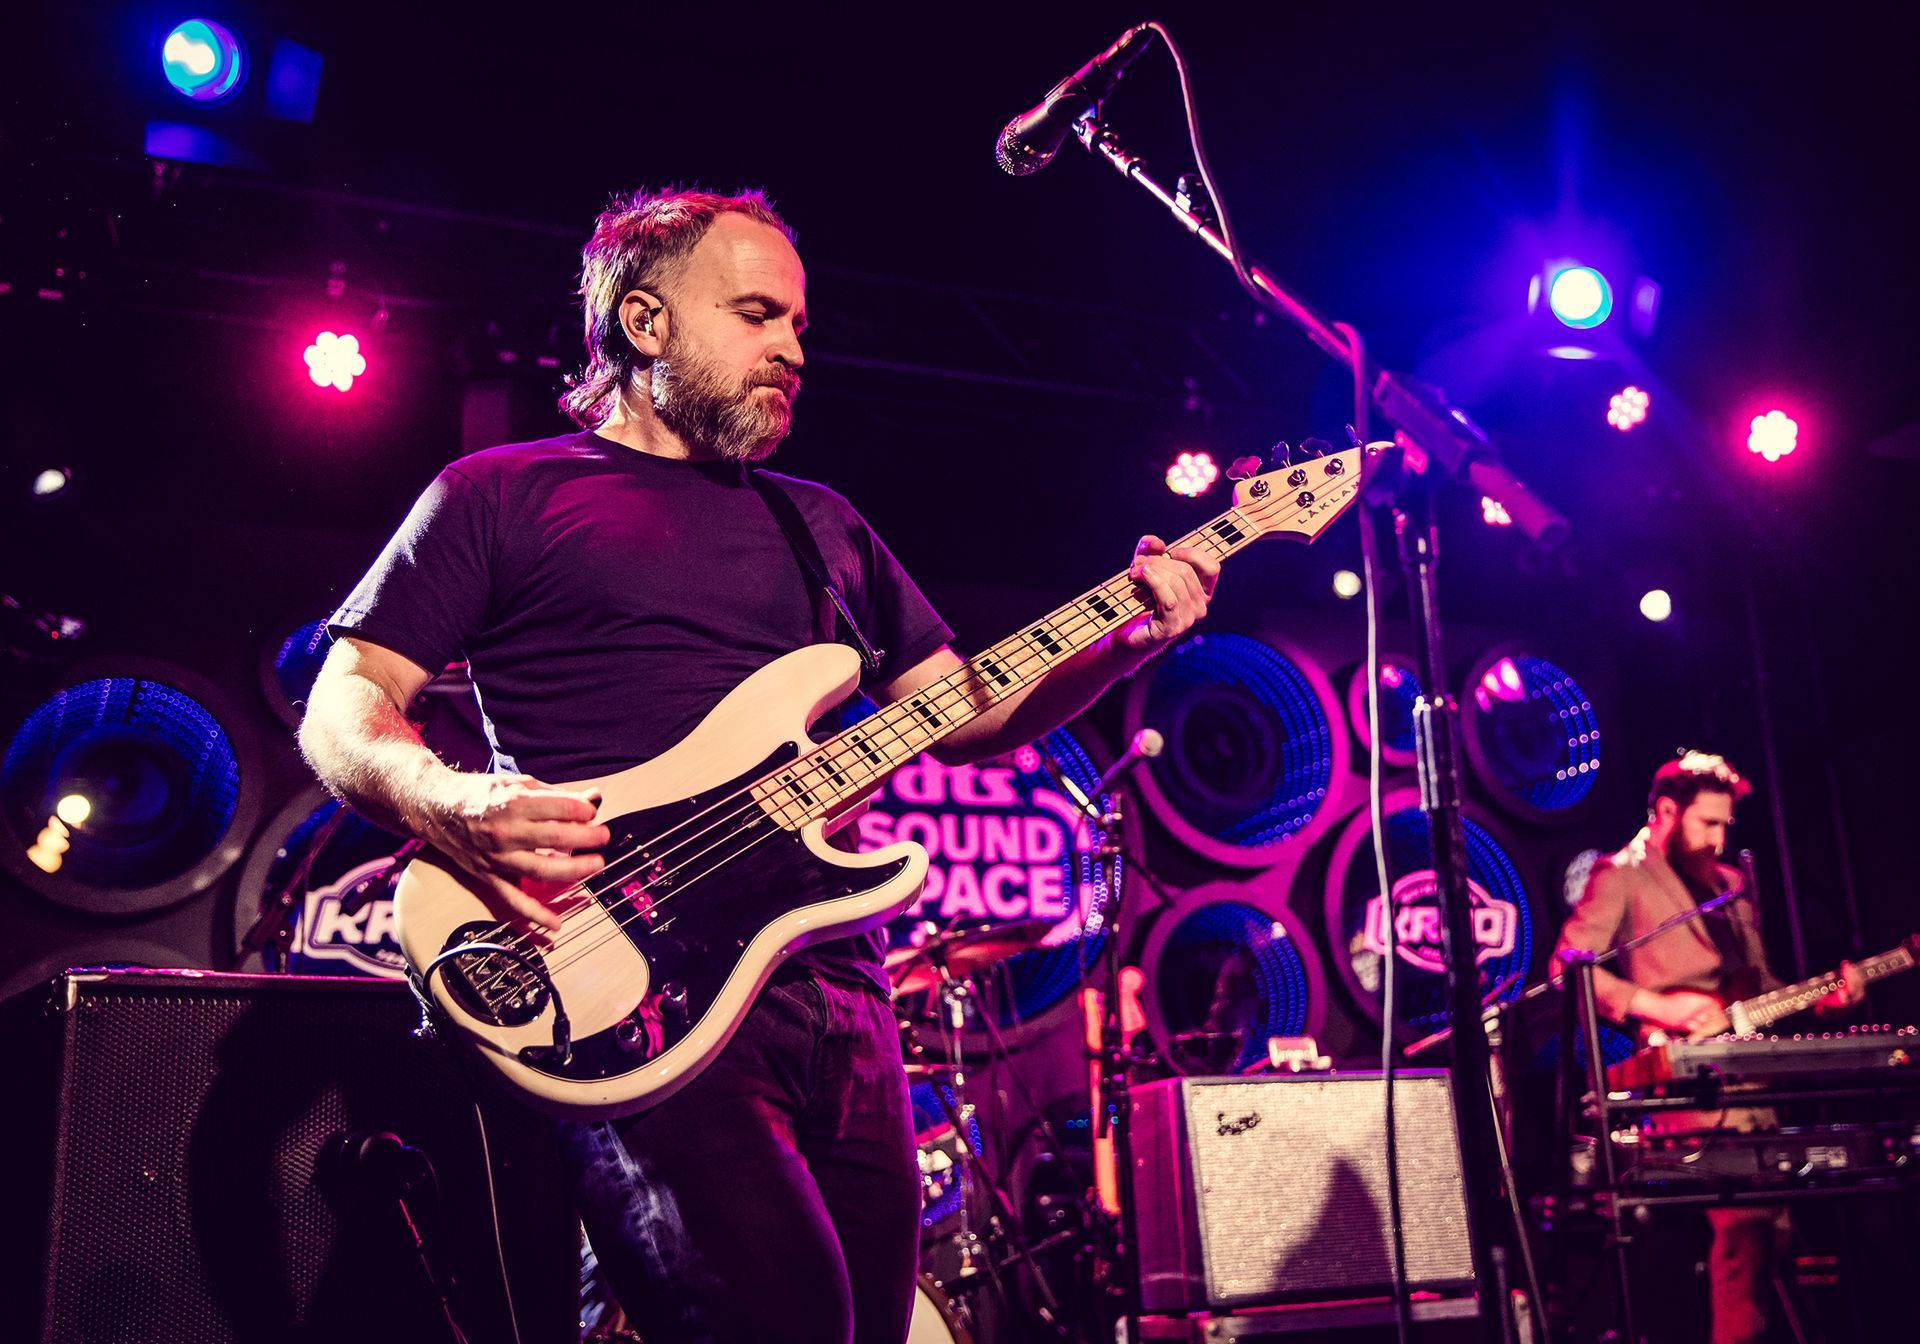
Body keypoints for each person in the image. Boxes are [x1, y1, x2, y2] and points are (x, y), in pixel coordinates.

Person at [297, 187, 1220, 1344]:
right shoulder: (499, 496)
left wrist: (1123, 643)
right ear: (644, 323)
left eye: (798, 324)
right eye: (755, 315)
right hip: (624, 980)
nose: (792, 349)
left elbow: (970, 716)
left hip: (838, 995)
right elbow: (346, 703)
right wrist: (449, 801)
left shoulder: (822, 525)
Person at [1554, 750, 1864, 1344]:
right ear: (1667, 811)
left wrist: (1823, 999)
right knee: (1744, 1228)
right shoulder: (1621, 875)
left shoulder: (1730, 885)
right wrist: (1659, 1005)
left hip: (1751, 1083)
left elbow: (1762, 985)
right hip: (1685, 1084)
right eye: (1708, 824)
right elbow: (1572, 967)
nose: (1720, 840)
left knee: (1772, 1233)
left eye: (1726, 825)